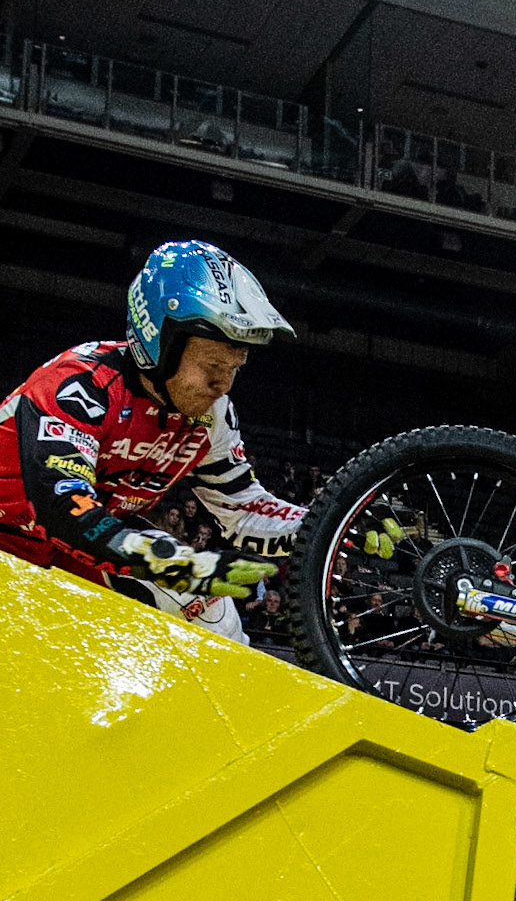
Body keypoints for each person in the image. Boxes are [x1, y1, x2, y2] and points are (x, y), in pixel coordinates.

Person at [0, 240, 311, 639]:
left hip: (73, 557)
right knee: (182, 572)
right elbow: (63, 509)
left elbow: (244, 509)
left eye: (236, 367)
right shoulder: (81, 386)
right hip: (15, 542)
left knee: (208, 607)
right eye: (213, 365)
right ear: (159, 341)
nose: (223, 384)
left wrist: (337, 521)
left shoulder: (211, 415)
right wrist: (178, 564)